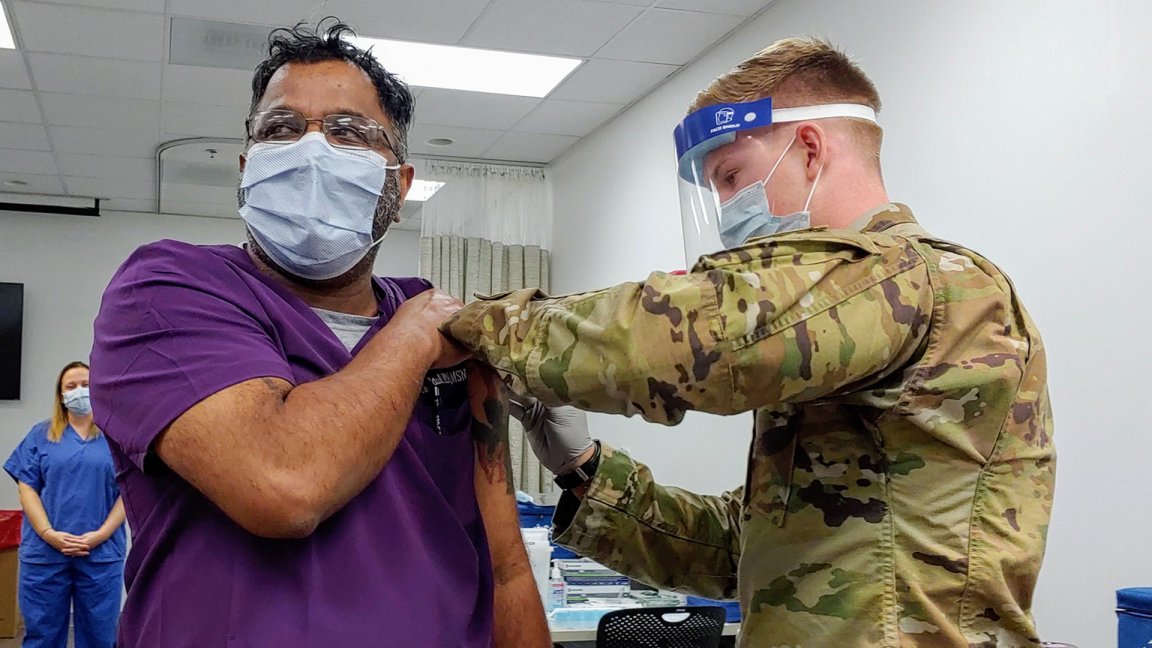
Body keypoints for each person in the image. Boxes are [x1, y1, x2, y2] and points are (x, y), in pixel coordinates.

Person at [443, 37, 1054, 647]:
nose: (728, 210)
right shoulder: (840, 331)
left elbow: (690, 338)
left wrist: (476, 324)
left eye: (732, 177)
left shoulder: (922, 282)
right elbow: (744, 551)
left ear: (809, 150)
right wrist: (584, 469)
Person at [88, 19, 547, 648]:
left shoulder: (448, 326)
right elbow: (282, 483)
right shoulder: (166, 291)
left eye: (348, 132)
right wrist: (412, 339)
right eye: (281, 128)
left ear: (399, 185)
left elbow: (506, 565)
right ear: (247, 169)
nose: (311, 152)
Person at [3, 361, 126, 648]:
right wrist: (48, 534)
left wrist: (101, 534)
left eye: (85, 385)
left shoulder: (117, 437)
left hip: (100, 553)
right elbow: (27, 488)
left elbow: (127, 492)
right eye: (71, 386)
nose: (79, 391)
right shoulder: (40, 435)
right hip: (45, 554)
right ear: (60, 395)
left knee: (100, 636)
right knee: (42, 635)